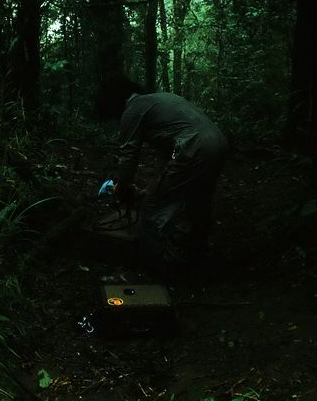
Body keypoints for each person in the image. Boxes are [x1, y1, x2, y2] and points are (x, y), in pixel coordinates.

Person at [94, 75, 229, 275]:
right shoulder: (160, 99)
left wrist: (122, 189)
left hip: (194, 147)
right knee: (198, 200)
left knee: (151, 210)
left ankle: (154, 270)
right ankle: (195, 255)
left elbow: (129, 157)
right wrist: (153, 187)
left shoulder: (133, 109)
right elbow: (170, 159)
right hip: (218, 143)